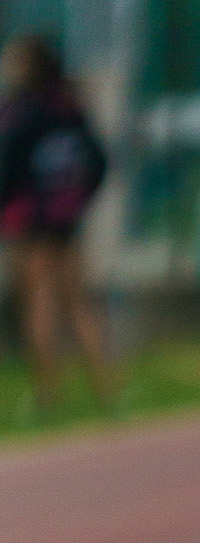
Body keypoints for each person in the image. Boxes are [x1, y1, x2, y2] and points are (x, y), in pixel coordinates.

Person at [0, 31, 112, 412]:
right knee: (77, 301)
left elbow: (7, 166)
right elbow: (98, 159)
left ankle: (48, 393)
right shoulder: (69, 105)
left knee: (37, 303)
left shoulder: (19, 112)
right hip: (66, 217)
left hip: (30, 221)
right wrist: (78, 200)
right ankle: (105, 387)